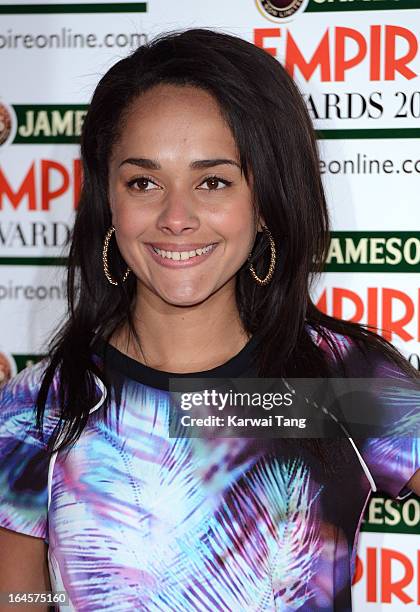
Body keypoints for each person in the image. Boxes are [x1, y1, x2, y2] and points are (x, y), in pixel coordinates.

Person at [0, 28, 418, 612]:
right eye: (143, 182)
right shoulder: (37, 406)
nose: (176, 217)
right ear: (108, 201)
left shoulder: (340, 381)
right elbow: (16, 597)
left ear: (265, 198)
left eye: (213, 181)